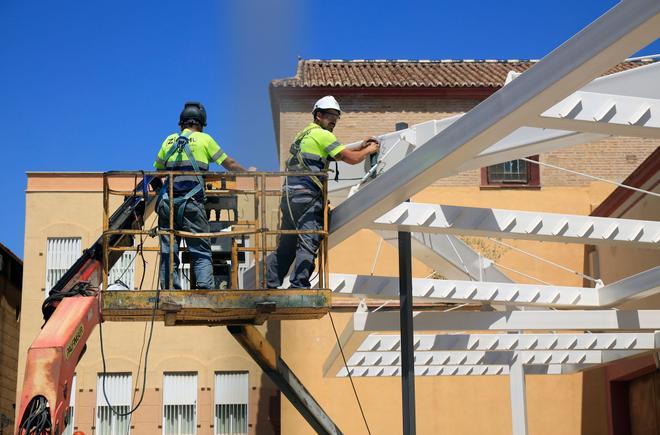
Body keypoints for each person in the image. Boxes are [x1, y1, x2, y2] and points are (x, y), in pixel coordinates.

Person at [266, 96, 380, 289]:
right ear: (318, 115)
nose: (334, 120)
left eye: (336, 116)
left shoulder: (303, 135)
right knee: (308, 240)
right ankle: (298, 285)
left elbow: (327, 155)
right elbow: (350, 158)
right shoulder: (324, 135)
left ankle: (269, 283)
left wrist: (359, 145)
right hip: (307, 197)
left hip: (289, 196)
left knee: (287, 245)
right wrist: (369, 150)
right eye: (330, 115)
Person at [154, 101, 250, 289]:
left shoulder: (168, 141)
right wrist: (249, 172)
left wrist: (161, 196)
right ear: (200, 124)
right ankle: (205, 289)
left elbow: (156, 172)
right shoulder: (204, 140)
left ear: (182, 123)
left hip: (167, 204)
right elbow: (228, 163)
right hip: (191, 204)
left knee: (168, 251)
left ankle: (168, 291)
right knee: (200, 251)